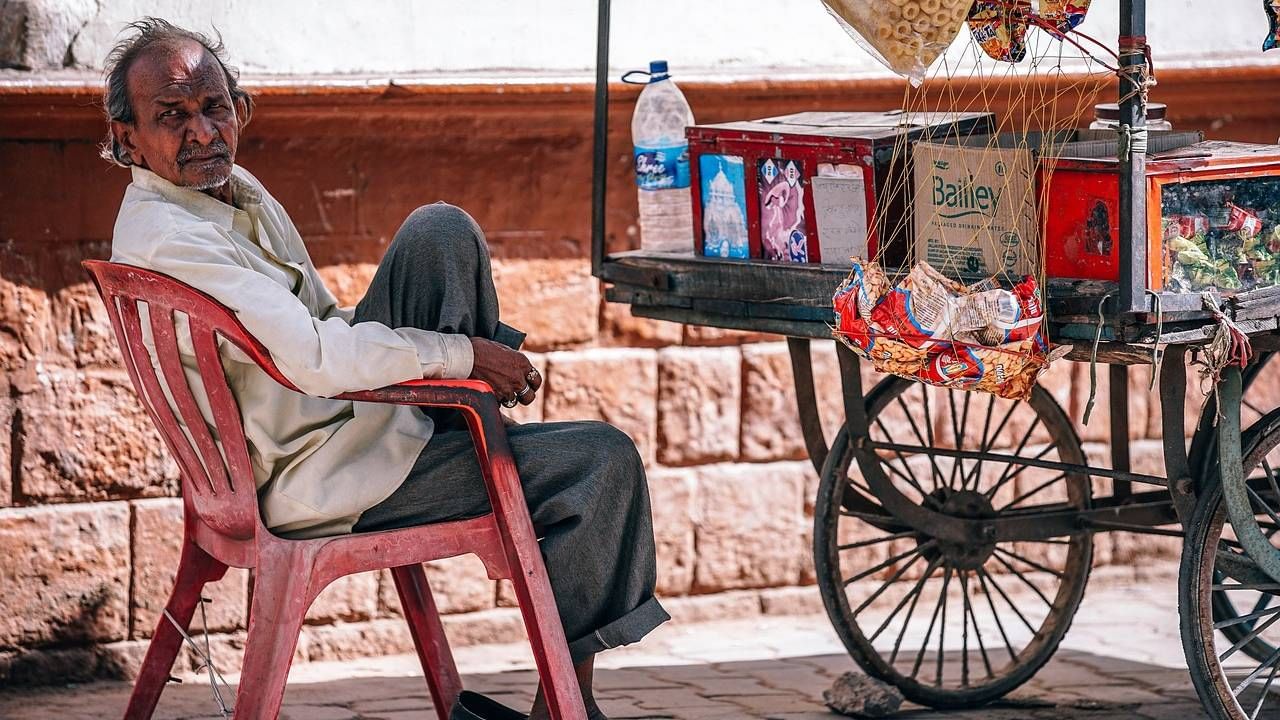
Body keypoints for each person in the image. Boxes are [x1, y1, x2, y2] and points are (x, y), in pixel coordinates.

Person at [103, 18, 667, 720]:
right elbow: (314, 359)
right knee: (599, 461)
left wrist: (450, 359)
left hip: (343, 424)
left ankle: (470, 422)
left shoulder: (233, 192)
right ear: (127, 139)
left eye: (214, 107)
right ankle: (568, 705)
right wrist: (465, 355)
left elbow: (325, 324)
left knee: (439, 233)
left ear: (239, 108)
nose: (202, 133)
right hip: (325, 479)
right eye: (172, 117)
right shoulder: (174, 237)